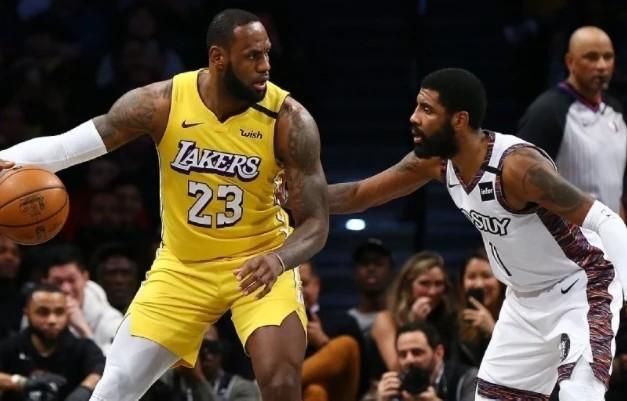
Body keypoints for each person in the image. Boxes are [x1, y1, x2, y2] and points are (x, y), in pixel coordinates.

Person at [0, 8, 328, 401]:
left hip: (260, 263)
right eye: (253, 56)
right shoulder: (161, 102)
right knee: (115, 386)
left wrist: (279, 259)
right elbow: (67, 147)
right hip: (183, 268)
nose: (265, 66)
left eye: (267, 53)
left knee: (280, 382)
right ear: (218, 58)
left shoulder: (290, 120)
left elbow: (316, 223)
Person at [327, 67, 627, 400]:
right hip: (523, 299)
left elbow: (609, 222)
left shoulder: (517, 168)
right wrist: (292, 201)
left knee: (579, 395)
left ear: (459, 120)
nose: (413, 117)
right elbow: (359, 195)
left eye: (426, 109)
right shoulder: (437, 163)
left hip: (582, 286)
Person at [518, 26, 627, 215]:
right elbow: (521, 181)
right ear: (570, 61)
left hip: (610, 231)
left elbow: (616, 187)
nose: (602, 65)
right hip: (565, 232)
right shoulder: (546, 112)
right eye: (591, 57)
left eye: (608, 57)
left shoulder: (616, 110)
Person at [0, 283, 105, 401]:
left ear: (67, 314)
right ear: (27, 313)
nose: (52, 320)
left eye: (59, 312)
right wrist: (21, 383)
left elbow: (101, 370)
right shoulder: (10, 346)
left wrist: (84, 390)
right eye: (43, 312)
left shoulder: (82, 348)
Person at [372, 252, 457, 373]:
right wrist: (416, 325)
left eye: (438, 284)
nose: (432, 291)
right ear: (408, 286)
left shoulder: (449, 318)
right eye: (424, 283)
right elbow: (398, 368)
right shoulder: (386, 319)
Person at [41, 244, 123, 355]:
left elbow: (116, 363)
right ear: (45, 283)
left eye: (72, 280)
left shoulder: (111, 320)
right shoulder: (35, 312)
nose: (66, 289)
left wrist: (83, 329)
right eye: (58, 282)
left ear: (85, 278)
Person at [375, 321, 477, 401]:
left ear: (439, 353)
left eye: (417, 352)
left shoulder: (468, 379)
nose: (409, 359)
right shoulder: (397, 386)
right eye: (403, 354)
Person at [456, 247, 504, 367]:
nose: (479, 284)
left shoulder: (515, 318)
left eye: (486, 276)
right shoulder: (453, 322)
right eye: (471, 277)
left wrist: (493, 330)